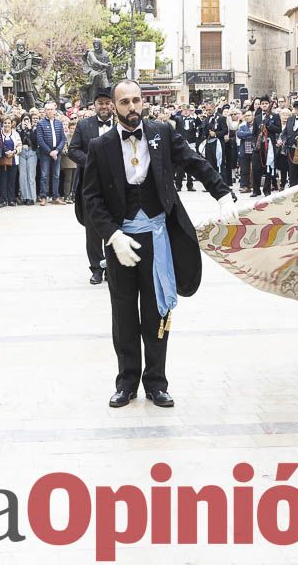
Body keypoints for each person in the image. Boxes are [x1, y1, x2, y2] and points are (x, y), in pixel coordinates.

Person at [82, 80, 236, 409]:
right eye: (125, 102)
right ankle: (126, 383)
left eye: (136, 100)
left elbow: (194, 161)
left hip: (157, 238)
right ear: (113, 105)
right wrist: (112, 235)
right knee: (123, 315)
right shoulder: (100, 146)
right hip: (121, 241)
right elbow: (90, 198)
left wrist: (222, 193)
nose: (132, 107)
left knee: (156, 313)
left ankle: (156, 382)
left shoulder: (161, 133)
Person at [69, 89, 115, 284]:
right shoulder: (84, 125)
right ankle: (96, 268)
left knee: (114, 227)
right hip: (90, 185)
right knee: (93, 229)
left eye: (106, 103)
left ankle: (112, 269)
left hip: (116, 186)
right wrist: (92, 162)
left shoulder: (121, 124)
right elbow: (72, 150)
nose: (103, 107)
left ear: (112, 104)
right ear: (94, 106)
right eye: (100, 103)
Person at [250, 96, 281, 197]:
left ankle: (267, 190)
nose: (264, 105)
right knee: (255, 167)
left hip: (269, 145)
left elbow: (278, 129)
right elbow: (254, 133)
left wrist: (269, 126)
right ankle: (256, 190)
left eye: (266, 104)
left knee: (269, 167)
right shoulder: (257, 117)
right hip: (259, 146)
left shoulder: (275, 116)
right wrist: (255, 143)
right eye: (262, 104)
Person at [36, 102, 66, 204]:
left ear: (55, 111)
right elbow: (40, 140)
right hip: (46, 153)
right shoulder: (40, 123)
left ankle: (55, 197)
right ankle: (43, 196)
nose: (50, 111)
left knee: (56, 175)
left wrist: (57, 151)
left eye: (51, 109)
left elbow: (63, 138)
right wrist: (50, 152)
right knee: (44, 175)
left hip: (57, 153)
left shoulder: (59, 123)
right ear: (45, 111)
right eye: (48, 109)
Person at [171, 105, 200, 191]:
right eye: (184, 110)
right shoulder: (178, 118)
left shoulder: (193, 119)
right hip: (181, 143)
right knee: (180, 165)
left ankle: (190, 185)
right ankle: (178, 185)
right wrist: (176, 110)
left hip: (191, 143)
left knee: (191, 164)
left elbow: (200, 123)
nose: (186, 111)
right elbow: (172, 116)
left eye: (187, 110)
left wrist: (194, 113)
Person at [17, 113, 38, 206]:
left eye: (27, 119)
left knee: (31, 176)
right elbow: (19, 140)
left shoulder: (34, 129)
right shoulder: (18, 129)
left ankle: (31, 197)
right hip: (21, 152)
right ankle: (24, 197)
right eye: (24, 119)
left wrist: (29, 129)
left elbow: (35, 141)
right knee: (23, 176)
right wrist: (22, 129)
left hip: (31, 152)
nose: (26, 121)